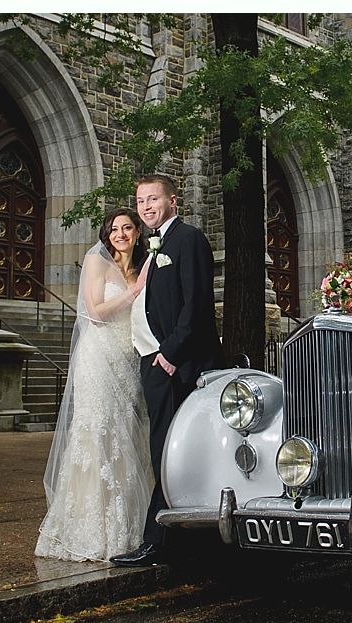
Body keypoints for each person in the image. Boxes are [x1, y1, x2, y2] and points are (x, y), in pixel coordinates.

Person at [110, 174, 224, 567]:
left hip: (174, 362)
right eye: (140, 201)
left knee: (168, 451)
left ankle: (158, 542)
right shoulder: (154, 244)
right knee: (163, 448)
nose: (145, 207)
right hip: (154, 359)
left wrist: (170, 354)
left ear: (172, 200)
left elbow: (196, 304)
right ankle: (178, 539)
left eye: (152, 199)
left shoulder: (188, 239)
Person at [35, 207, 154, 562]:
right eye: (114, 229)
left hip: (129, 357)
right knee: (98, 433)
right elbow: (94, 312)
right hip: (98, 356)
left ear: (137, 233)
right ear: (107, 234)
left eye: (127, 228)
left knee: (127, 438)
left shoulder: (142, 266)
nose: (120, 234)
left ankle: (129, 525)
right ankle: (89, 528)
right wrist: (134, 292)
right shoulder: (97, 263)